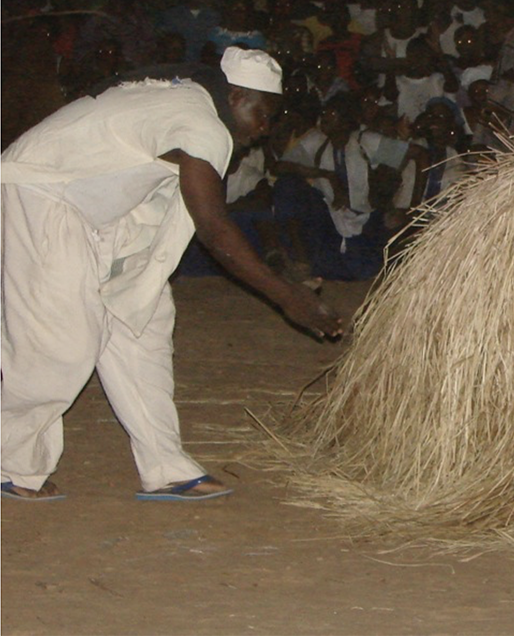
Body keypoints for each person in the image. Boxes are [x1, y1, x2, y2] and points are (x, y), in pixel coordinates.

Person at [0, 48, 344, 502]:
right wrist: (287, 296)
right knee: (61, 341)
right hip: (42, 194)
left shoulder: (191, 101)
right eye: (263, 113)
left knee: (141, 318)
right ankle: (10, 461)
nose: (265, 127)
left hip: (99, 212)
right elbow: (214, 229)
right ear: (236, 97)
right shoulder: (202, 123)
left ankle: (165, 466)